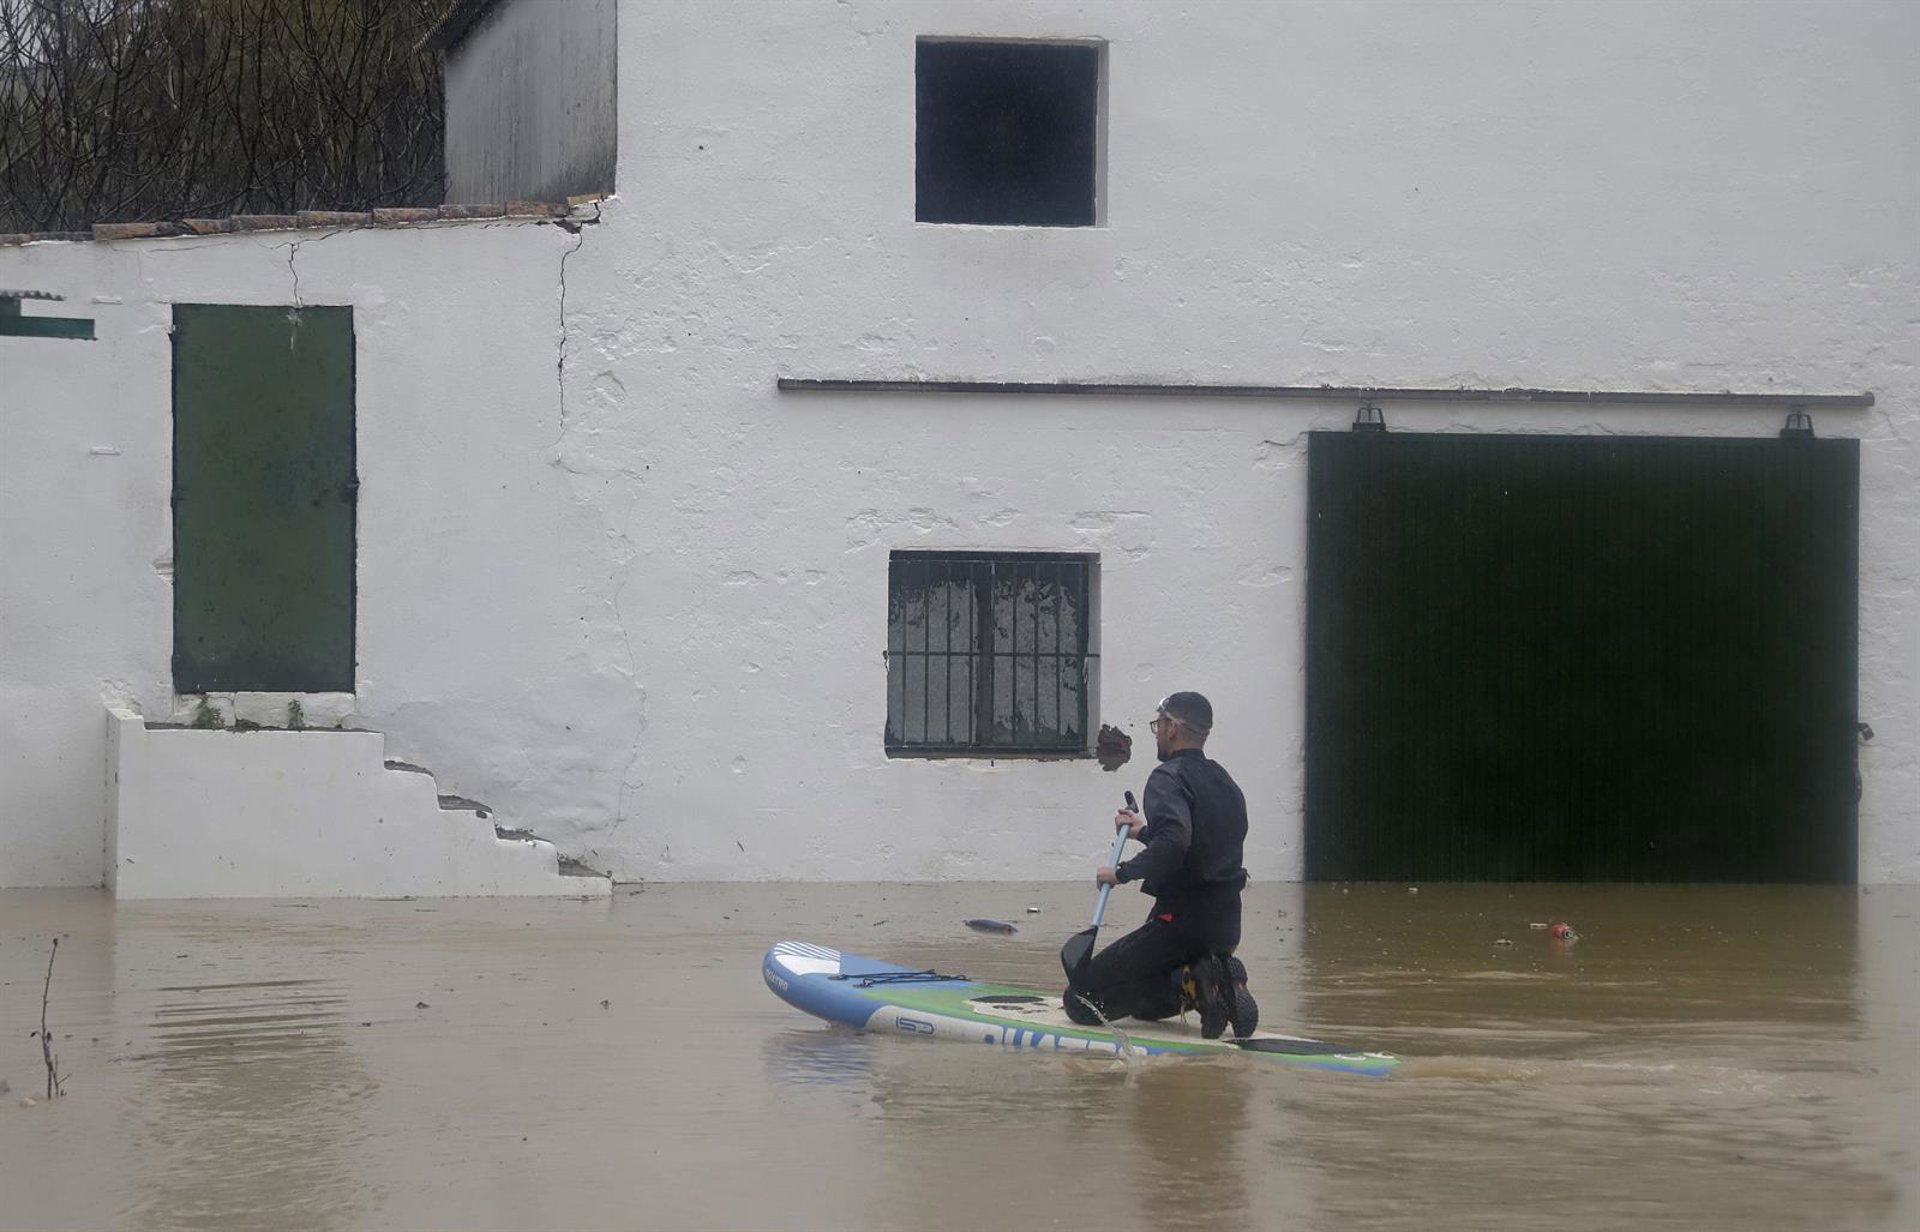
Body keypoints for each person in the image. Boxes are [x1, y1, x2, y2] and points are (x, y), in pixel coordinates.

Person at [1063, 691, 1258, 1039]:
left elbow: (1176, 842)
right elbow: (1198, 844)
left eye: (1159, 725)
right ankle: (1213, 981)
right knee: (1144, 1011)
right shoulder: (1224, 780)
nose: (1157, 733)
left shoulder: (1167, 776)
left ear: (1172, 728)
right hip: (1226, 927)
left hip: (1181, 926)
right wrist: (1142, 832)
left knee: (1080, 1002)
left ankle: (1201, 979)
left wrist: (1121, 873)